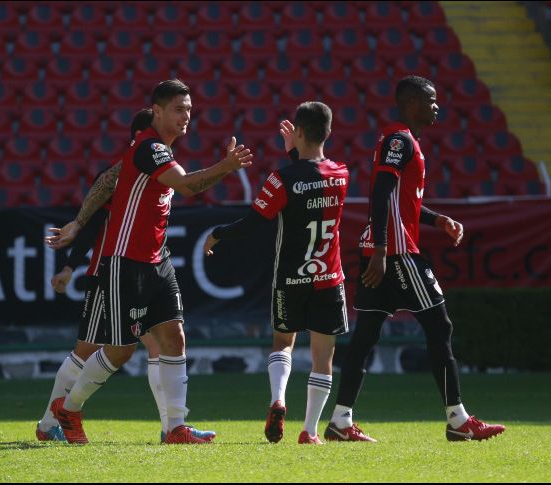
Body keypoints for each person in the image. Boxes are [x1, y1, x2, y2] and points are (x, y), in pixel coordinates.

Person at [47, 79, 253, 445]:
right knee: (118, 349)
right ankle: (68, 409)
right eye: (178, 109)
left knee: (174, 337)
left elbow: (107, 183)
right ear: (156, 112)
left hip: (157, 261)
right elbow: (188, 186)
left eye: (189, 109)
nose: (186, 116)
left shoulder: (157, 154)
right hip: (123, 261)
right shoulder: (149, 149)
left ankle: (175, 427)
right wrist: (225, 165)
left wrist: (78, 223)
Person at [323, 75, 506, 442]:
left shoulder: (405, 142)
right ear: (410, 103)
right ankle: (458, 420)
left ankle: (340, 421)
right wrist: (380, 250)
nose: (437, 106)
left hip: (386, 249)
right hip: (397, 252)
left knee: (365, 338)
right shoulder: (399, 140)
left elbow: (400, 202)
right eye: (431, 100)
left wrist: (437, 219)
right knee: (440, 328)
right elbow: (380, 193)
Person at [204, 102, 350, 445]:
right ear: (328, 133)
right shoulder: (342, 174)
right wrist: (298, 155)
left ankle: (278, 399)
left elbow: (255, 222)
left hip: (291, 278)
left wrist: (219, 232)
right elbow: (314, 175)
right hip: (328, 278)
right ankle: (310, 431)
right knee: (323, 356)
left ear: (298, 133)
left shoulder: (282, 178)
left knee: (282, 344)